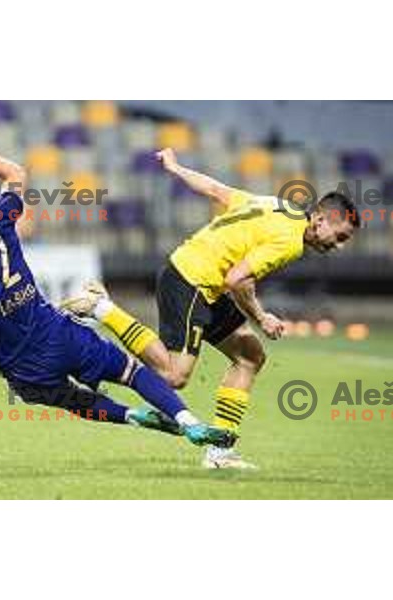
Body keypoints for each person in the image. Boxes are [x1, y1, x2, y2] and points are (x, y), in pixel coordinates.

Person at [0, 132, 235, 451]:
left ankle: (130, 416)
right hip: (56, 331)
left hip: (20, 362)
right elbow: (16, 171)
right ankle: (188, 421)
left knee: (61, 398)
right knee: (131, 371)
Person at [61, 147, 361, 469]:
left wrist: (176, 168)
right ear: (318, 219)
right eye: (339, 235)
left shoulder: (281, 206)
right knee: (174, 376)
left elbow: (217, 191)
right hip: (191, 281)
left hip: (204, 283)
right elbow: (237, 280)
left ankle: (220, 452)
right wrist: (261, 317)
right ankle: (102, 308)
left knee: (249, 356)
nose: (338, 246)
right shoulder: (289, 241)